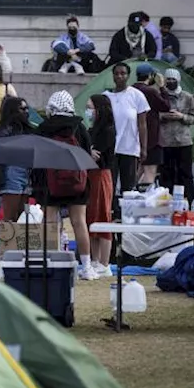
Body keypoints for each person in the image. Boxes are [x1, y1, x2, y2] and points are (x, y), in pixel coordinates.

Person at [34, 91, 97, 280]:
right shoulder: (79, 126)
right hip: (77, 182)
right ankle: (86, 266)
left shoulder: (44, 128)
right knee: (79, 222)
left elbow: (37, 155)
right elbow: (87, 154)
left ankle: (50, 262)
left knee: (50, 222)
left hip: (50, 182)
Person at [104, 62, 150, 194]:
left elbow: (142, 124)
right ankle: (111, 212)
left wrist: (144, 148)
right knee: (109, 185)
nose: (119, 76)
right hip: (110, 149)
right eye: (116, 73)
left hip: (129, 148)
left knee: (128, 187)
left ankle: (126, 213)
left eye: (123, 73)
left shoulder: (137, 95)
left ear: (128, 76)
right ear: (113, 76)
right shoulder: (106, 97)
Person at [85, 93, 117, 277]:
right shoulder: (93, 130)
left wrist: (89, 152)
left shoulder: (108, 130)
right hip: (91, 175)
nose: (88, 111)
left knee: (103, 217)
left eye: (91, 107)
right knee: (92, 217)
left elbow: (97, 155)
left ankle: (104, 263)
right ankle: (95, 260)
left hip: (101, 175)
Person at [0, 96, 34, 223]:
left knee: (22, 218)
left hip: (27, 174)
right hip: (12, 173)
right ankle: (7, 242)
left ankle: (19, 242)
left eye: (27, 109)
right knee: (9, 217)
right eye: (22, 109)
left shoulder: (28, 129)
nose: (26, 112)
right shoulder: (5, 131)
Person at [159, 68, 194, 198]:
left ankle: (189, 201)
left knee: (185, 173)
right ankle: (166, 202)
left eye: (173, 79)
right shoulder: (161, 96)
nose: (170, 81)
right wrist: (164, 116)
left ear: (178, 80)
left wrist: (181, 116)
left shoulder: (187, 97)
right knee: (166, 174)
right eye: (168, 79)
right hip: (165, 141)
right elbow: (153, 116)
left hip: (183, 141)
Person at [132, 64, 170, 185]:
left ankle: (129, 193)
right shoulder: (150, 91)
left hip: (134, 137)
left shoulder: (130, 91)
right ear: (150, 76)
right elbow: (166, 106)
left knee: (138, 170)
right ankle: (145, 198)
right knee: (150, 171)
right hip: (152, 137)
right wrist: (162, 88)